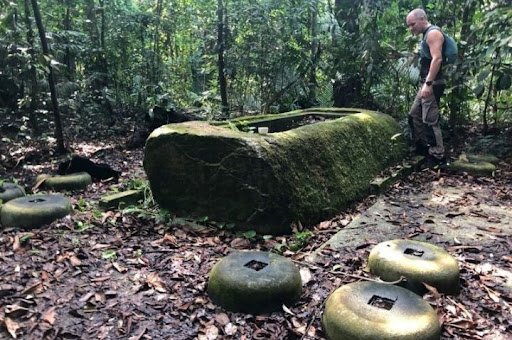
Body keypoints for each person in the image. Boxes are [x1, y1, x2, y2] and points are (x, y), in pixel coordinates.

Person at [406, 8, 446, 163]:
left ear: (422, 19)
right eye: (409, 25)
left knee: (429, 120)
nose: (411, 28)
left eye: (412, 24)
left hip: (432, 83)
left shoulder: (433, 34)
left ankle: (437, 158)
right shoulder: (427, 35)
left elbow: (437, 59)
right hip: (426, 83)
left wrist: (429, 84)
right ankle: (423, 150)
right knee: (414, 115)